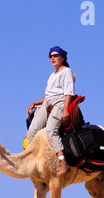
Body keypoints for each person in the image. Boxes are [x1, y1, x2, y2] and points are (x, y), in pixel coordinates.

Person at [26, 46, 76, 175]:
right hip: (48, 103)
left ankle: (62, 161)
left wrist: (65, 110)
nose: (52, 58)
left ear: (62, 58)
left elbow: (69, 92)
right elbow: (49, 96)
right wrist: (35, 103)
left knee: (51, 130)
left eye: (55, 55)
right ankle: (31, 159)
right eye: (50, 56)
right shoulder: (52, 75)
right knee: (32, 131)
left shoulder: (67, 72)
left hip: (60, 102)